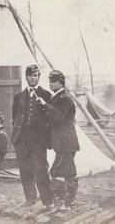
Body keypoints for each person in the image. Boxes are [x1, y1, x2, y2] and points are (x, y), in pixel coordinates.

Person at [11, 64, 54, 210]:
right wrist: (16, 137)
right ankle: (30, 198)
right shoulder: (19, 96)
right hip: (21, 140)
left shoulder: (47, 95)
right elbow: (14, 117)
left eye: (35, 75)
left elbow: (50, 118)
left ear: (38, 77)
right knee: (24, 170)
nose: (32, 78)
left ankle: (48, 201)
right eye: (30, 75)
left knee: (41, 170)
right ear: (26, 77)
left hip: (38, 141)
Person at [37, 70, 80, 209]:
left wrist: (45, 105)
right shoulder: (56, 98)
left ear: (61, 82)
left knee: (57, 171)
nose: (50, 83)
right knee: (70, 172)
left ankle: (60, 203)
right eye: (49, 81)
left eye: (53, 81)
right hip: (64, 143)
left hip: (65, 143)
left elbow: (59, 117)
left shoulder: (65, 99)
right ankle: (69, 201)